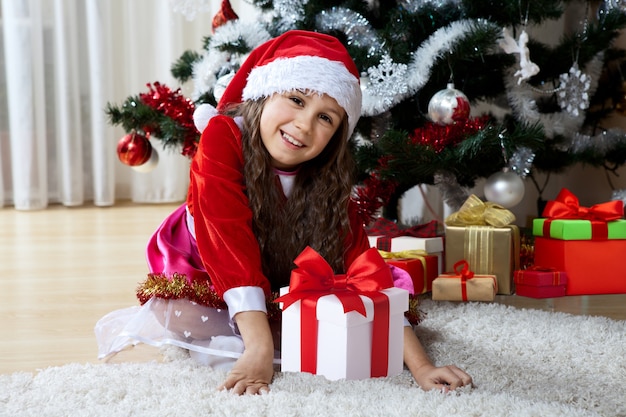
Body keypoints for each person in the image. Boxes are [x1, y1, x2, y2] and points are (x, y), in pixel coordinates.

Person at [95, 30, 472, 395]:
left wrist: (421, 366)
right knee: (181, 313)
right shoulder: (223, 136)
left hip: (276, 266)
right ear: (263, 93)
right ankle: (251, 338)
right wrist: (259, 346)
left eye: (326, 118)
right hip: (210, 258)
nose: (304, 125)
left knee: (335, 314)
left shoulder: (325, 175)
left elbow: (360, 265)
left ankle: (256, 333)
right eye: (296, 99)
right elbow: (228, 239)